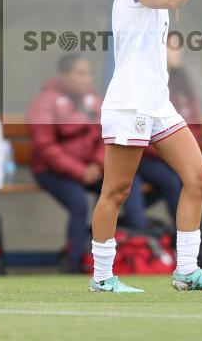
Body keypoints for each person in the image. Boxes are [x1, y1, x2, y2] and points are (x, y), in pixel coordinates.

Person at [89, 0, 202, 293]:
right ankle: (102, 277)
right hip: (130, 104)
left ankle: (186, 271)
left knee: (198, 179)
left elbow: (170, 1)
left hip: (158, 105)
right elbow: (171, 1)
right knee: (116, 192)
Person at [28, 54, 147, 274]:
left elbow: (107, 135)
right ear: (65, 76)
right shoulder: (45, 101)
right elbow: (45, 147)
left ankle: (139, 248)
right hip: (53, 171)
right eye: (80, 73)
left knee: (125, 184)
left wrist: (97, 165)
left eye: (88, 73)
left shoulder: (93, 99)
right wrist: (80, 170)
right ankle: (73, 267)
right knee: (79, 204)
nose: (86, 79)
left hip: (92, 169)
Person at [137, 44, 202, 224]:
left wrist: (189, 149)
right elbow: (141, 127)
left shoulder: (182, 81)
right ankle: (179, 236)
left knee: (201, 178)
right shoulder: (146, 81)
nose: (178, 51)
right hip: (148, 157)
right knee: (171, 181)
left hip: (176, 154)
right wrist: (172, 152)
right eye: (172, 47)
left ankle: (197, 237)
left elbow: (194, 121)